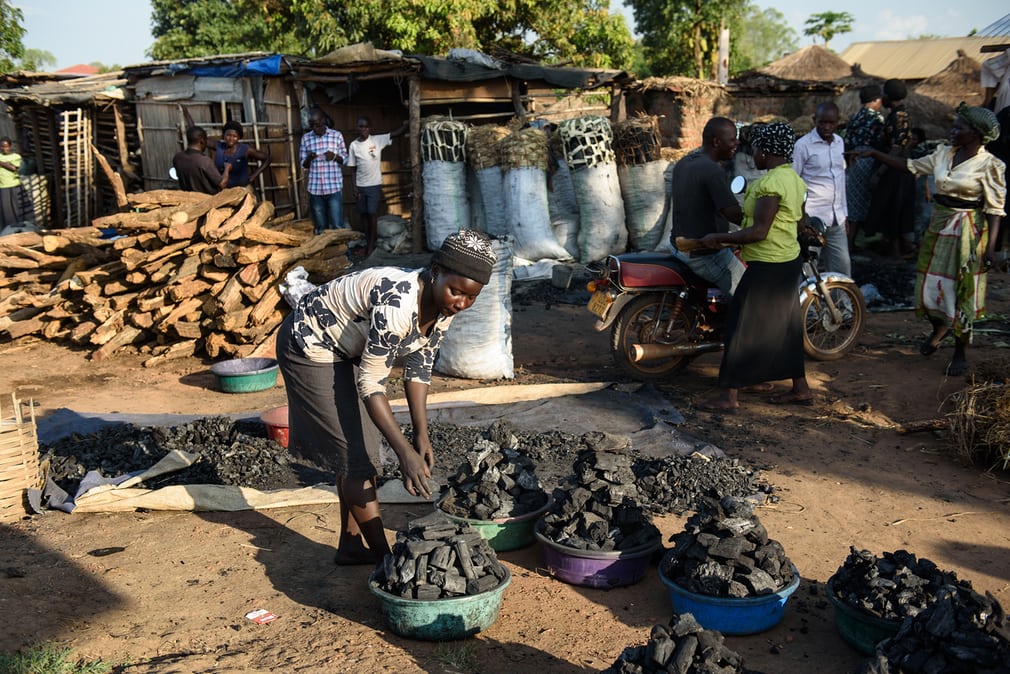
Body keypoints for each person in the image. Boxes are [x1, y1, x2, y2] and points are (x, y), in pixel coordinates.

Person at [276, 229, 497, 565]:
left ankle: (351, 546)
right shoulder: (399, 304)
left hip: (348, 347)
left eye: (472, 298)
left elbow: (419, 367)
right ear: (435, 271)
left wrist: (420, 434)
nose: (461, 304)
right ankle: (386, 560)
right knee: (357, 457)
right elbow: (370, 383)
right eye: (456, 292)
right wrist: (404, 452)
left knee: (359, 452)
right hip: (310, 343)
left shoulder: (442, 308)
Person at [861, 104, 1006, 377]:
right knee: (930, 287)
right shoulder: (942, 154)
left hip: (969, 231)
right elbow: (910, 166)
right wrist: (875, 154)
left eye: (959, 127)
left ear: (975, 134)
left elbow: (995, 210)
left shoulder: (991, 165)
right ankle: (939, 328)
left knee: (963, 291)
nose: (952, 131)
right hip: (939, 226)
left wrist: (990, 249)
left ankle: (960, 352)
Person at [696, 122, 813, 412]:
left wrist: (719, 238)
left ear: (766, 151)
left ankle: (728, 396)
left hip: (768, 264)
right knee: (786, 326)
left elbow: (759, 232)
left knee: (740, 326)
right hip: (787, 261)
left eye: (755, 150)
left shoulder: (769, 184)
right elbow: (797, 221)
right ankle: (801, 388)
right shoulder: (793, 179)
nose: (752, 156)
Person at [670, 117, 746, 296]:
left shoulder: (685, 162)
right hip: (704, 254)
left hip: (679, 245)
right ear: (716, 142)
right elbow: (733, 214)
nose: (737, 143)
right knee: (750, 294)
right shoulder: (712, 170)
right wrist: (760, 219)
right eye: (732, 139)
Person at [793, 101, 850, 276]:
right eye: (822, 122)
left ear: (837, 122)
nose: (826, 127)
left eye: (831, 123)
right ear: (814, 120)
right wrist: (800, 221)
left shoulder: (839, 142)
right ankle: (808, 304)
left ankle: (843, 304)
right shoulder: (803, 145)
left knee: (842, 270)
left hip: (836, 220)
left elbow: (839, 181)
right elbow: (794, 182)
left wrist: (845, 215)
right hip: (812, 220)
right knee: (809, 271)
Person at [866, 79, 916, 259]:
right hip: (896, 169)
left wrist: (879, 173)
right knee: (894, 210)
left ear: (888, 96)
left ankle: (896, 254)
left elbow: (896, 147)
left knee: (893, 211)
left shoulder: (898, 116)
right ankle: (899, 249)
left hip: (895, 172)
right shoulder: (900, 114)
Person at [345, 117, 407, 255]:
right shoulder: (354, 145)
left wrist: (407, 124)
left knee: (372, 214)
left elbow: (395, 134)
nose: (364, 129)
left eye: (366, 127)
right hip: (361, 186)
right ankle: (368, 244)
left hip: (374, 185)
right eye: (361, 126)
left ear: (370, 128)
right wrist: (354, 187)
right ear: (357, 127)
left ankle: (371, 246)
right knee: (364, 215)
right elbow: (352, 168)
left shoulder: (377, 140)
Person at [299, 108, 348, 234]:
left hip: (333, 189)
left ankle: (344, 254)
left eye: (318, 125)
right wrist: (309, 158)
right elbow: (303, 164)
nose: (315, 128)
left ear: (323, 120)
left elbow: (346, 159)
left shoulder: (336, 136)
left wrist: (335, 157)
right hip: (315, 190)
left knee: (337, 225)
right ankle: (325, 254)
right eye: (312, 126)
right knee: (321, 228)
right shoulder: (306, 138)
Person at [214, 120, 271, 189]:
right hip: (224, 191)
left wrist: (253, 176)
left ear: (239, 137)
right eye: (228, 135)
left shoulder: (245, 150)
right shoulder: (219, 147)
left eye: (234, 136)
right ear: (224, 135)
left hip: (243, 189)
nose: (231, 139)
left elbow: (267, 158)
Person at [173, 126, 224, 195]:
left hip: (187, 198)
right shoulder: (204, 161)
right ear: (202, 141)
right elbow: (222, 184)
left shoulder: (178, 157)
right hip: (207, 200)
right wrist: (227, 169)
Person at [0, 137, 31, 229]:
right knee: (6, 210)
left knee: (18, 208)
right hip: (2, 186)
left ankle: (21, 227)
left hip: (15, 185)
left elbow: (13, 168)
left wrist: (1, 163)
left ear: (10, 146)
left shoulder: (16, 157)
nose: (4, 149)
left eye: (6, 146)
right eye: (2, 147)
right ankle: (8, 228)